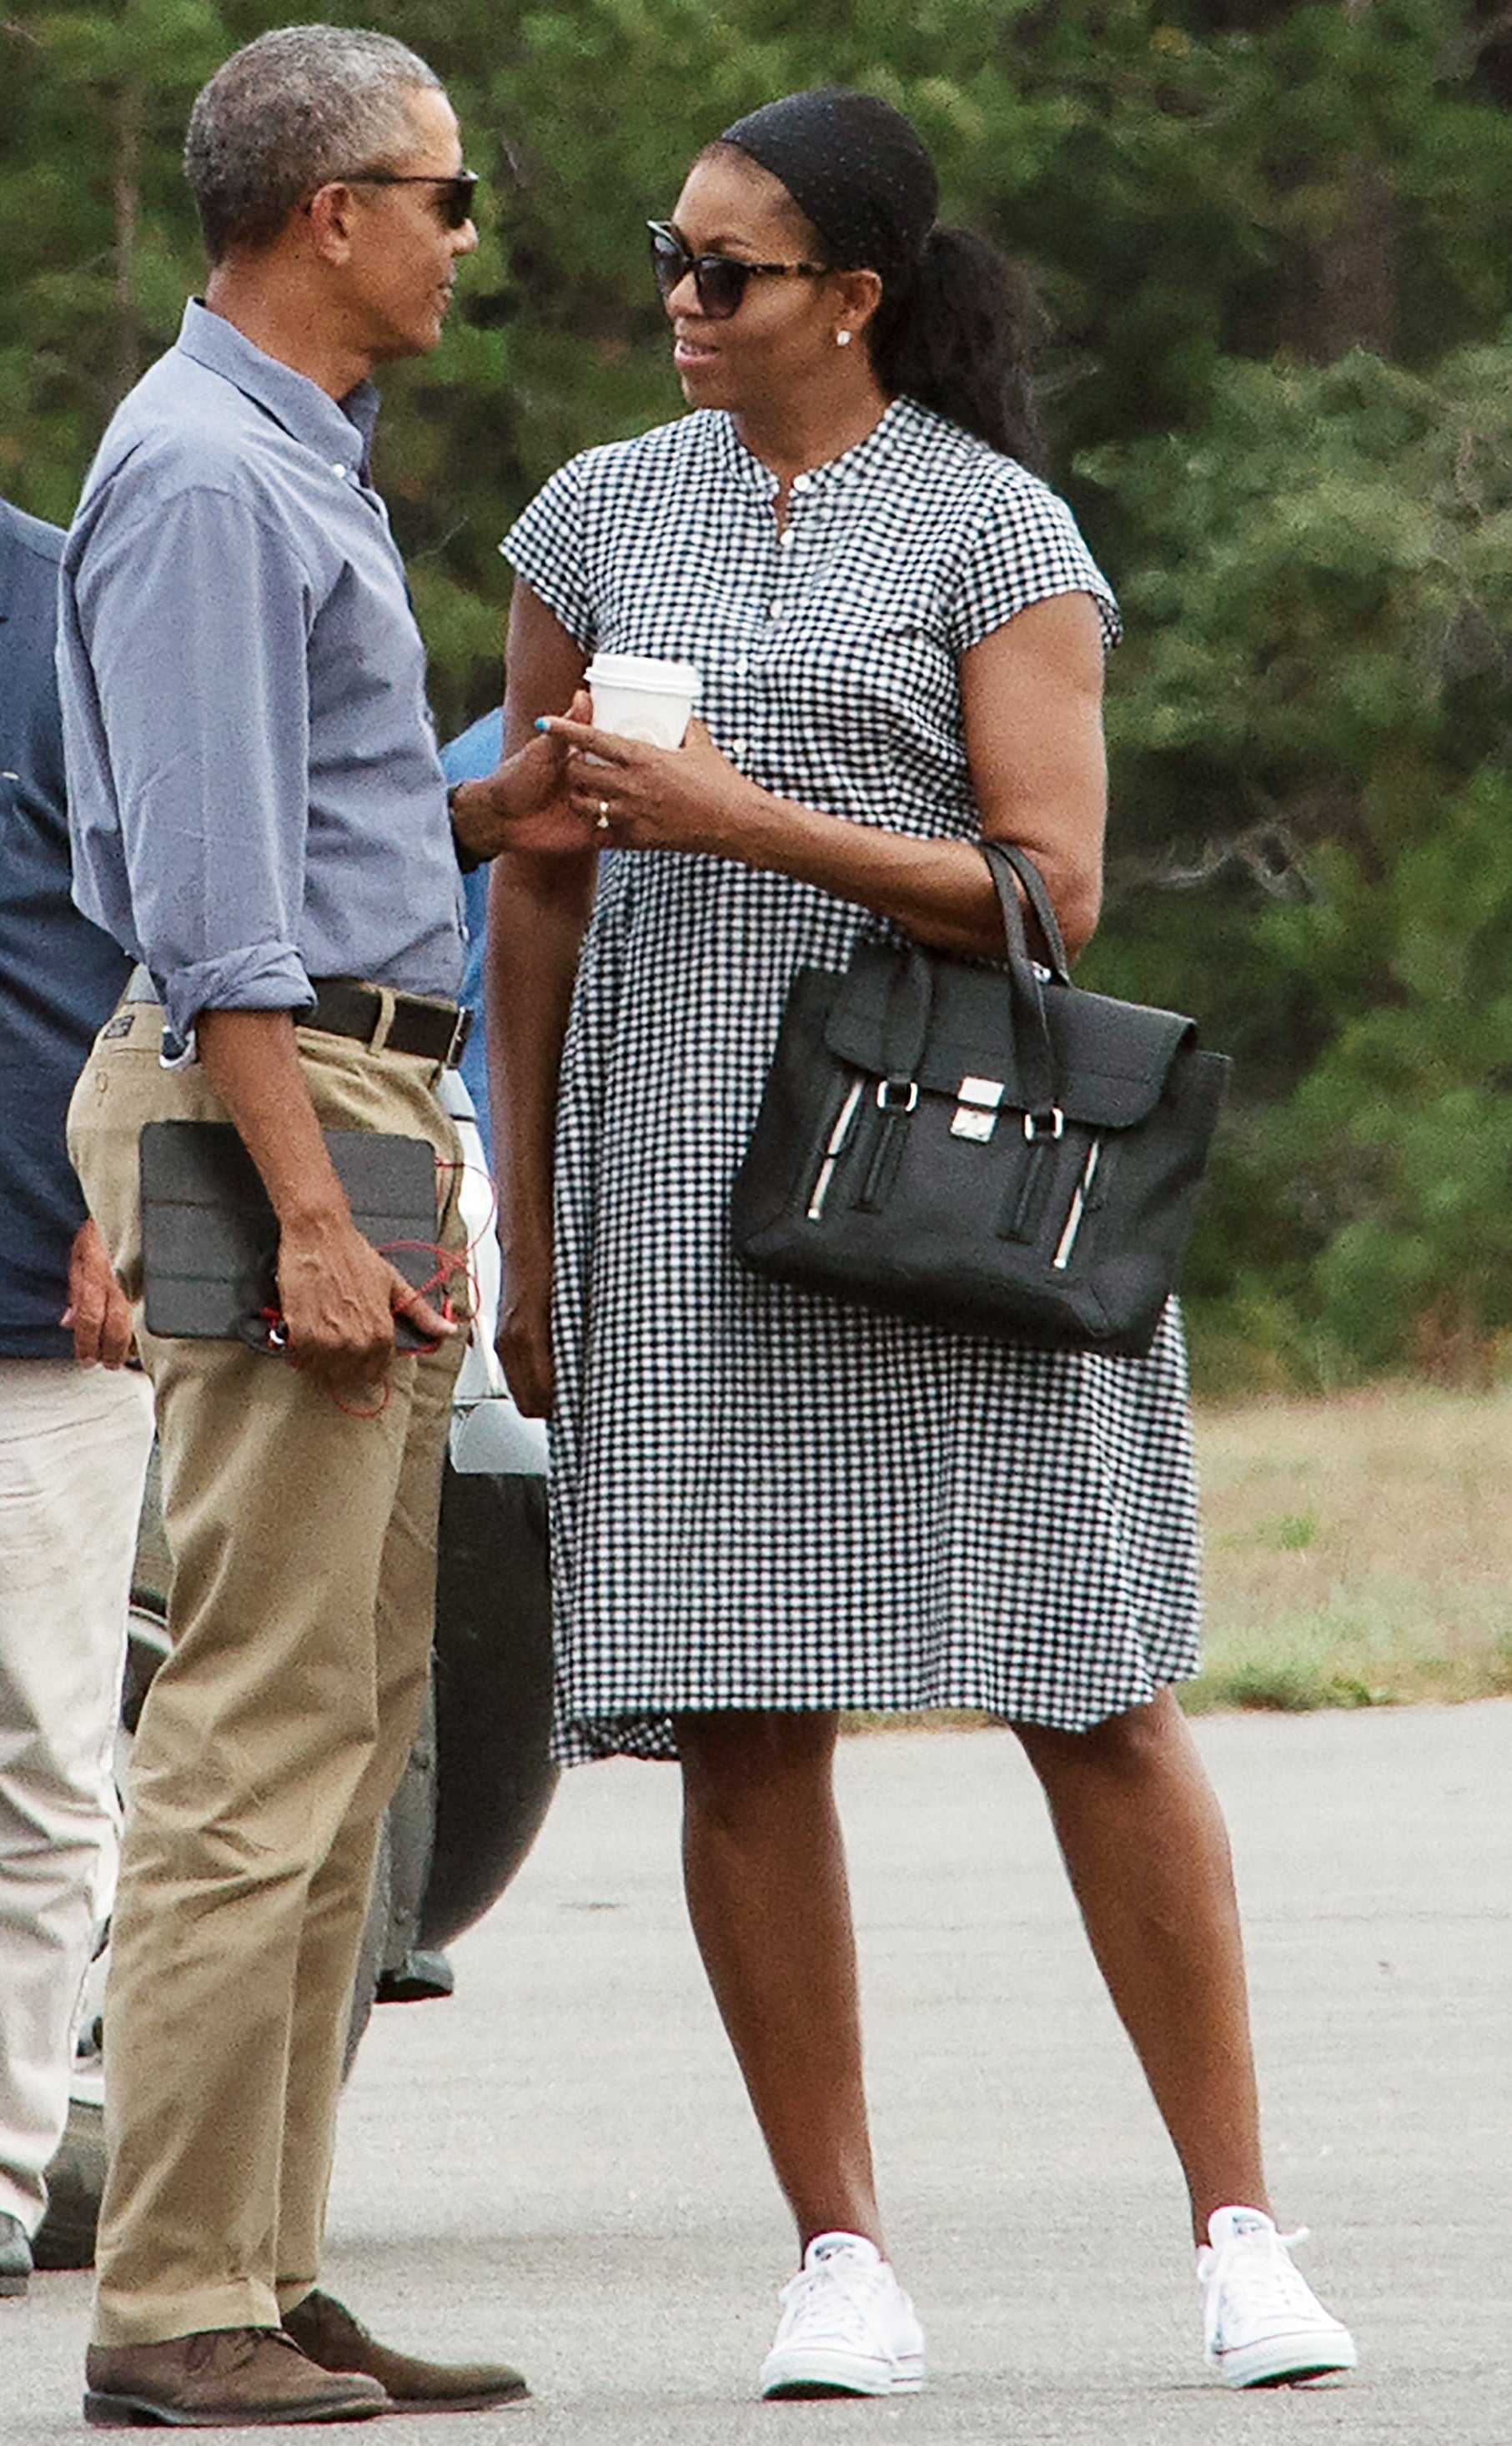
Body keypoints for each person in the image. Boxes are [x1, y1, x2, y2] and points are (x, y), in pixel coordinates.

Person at [487, 87, 1357, 2403]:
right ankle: (837, 2249)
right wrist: (535, 1225)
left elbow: (1048, 887)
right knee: (743, 1715)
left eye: (726, 270)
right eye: (667, 256)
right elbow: (537, 872)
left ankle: (1235, 2221)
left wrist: (739, 813)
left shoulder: (997, 531)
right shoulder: (587, 513)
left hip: (956, 1161)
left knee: (1085, 1679)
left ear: (849, 298)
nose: (678, 301)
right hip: (675, 1170)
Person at [58, 26, 565, 2426]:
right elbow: (205, 893)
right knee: (253, 1734)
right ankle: (167, 2302)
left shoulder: (288, 462)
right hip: (285, 1104)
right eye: (447, 198)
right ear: (331, 211)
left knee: (353, 1729)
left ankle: (256, 2263)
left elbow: (312, 827)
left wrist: (485, 817)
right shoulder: (196, 475)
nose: (472, 238)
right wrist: (304, 1207)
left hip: (354, 1083)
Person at [0, 495, 154, 2306]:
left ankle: (5, 2165)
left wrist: (126, 1197)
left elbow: (172, 918)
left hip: (42, 1291)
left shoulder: (71, 599)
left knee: (42, 1756)